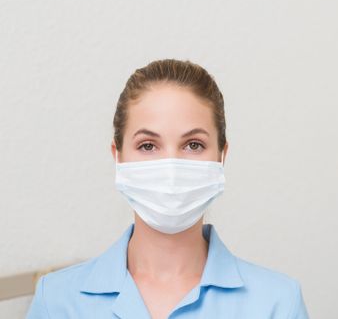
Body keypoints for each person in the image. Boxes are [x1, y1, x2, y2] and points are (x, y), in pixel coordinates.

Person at [26, 59, 309, 319]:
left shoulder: (278, 303)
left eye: (193, 145)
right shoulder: (56, 301)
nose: (171, 168)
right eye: (148, 146)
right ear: (118, 156)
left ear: (222, 155)